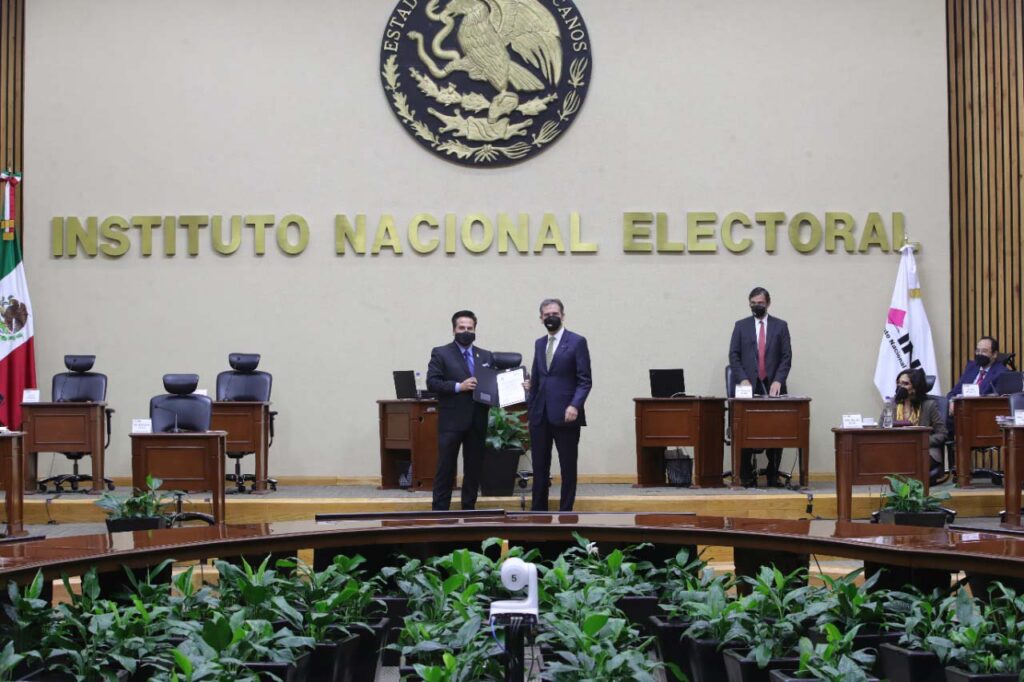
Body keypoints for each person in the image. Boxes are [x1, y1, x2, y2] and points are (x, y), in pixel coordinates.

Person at [525, 298, 592, 512]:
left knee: (567, 467)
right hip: (540, 415)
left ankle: (566, 513)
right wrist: (530, 404)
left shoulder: (577, 341)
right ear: (541, 318)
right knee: (540, 467)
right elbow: (537, 378)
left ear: (562, 316)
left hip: (566, 414)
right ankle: (538, 512)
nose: (551, 317)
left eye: (554, 314)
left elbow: (585, 380)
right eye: (547, 315)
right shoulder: (539, 343)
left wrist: (575, 405)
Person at [426, 310, 493, 511]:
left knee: (473, 468)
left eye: (470, 328)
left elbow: (495, 383)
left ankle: (469, 508)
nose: (466, 331)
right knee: (446, 467)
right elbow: (432, 382)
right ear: (454, 329)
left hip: (477, 419)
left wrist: (518, 387)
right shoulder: (441, 353)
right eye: (462, 328)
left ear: (475, 330)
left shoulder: (486, 355)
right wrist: (458, 386)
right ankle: (440, 510)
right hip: (452, 420)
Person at [728, 286, 792, 487]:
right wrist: (743, 379)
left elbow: (786, 357)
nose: (757, 306)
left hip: (773, 385)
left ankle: (773, 474)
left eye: (760, 303)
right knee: (745, 428)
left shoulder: (780, 326)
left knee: (777, 429)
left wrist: (778, 380)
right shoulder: (741, 326)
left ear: (768, 304)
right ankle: (747, 475)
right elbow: (734, 355)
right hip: (748, 385)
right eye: (753, 303)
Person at [888, 368, 947, 482]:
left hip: (924, 450)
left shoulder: (929, 405)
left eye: (905, 384)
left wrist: (921, 441)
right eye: (898, 383)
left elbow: (942, 433)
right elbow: (881, 429)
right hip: (897, 450)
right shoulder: (892, 404)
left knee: (907, 462)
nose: (900, 387)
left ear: (915, 388)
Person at [946, 336, 1006, 432]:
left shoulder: (1001, 372)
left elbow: (992, 399)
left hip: (979, 414)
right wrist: (951, 401)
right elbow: (954, 391)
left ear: (994, 354)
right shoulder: (972, 367)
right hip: (960, 409)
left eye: (984, 351)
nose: (979, 354)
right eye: (978, 351)